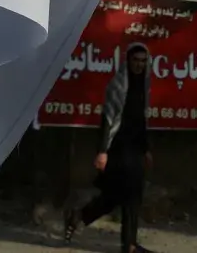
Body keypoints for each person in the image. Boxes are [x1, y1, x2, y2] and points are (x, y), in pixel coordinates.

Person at [65, 42, 154, 252]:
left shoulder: (144, 84)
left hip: (136, 148)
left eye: (143, 61)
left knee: (120, 196)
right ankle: (128, 245)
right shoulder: (118, 85)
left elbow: (141, 120)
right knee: (126, 195)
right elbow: (107, 119)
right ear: (128, 61)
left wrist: (146, 149)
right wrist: (102, 151)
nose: (139, 65)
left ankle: (80, 216)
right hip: (118, 147)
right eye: (135, 60)